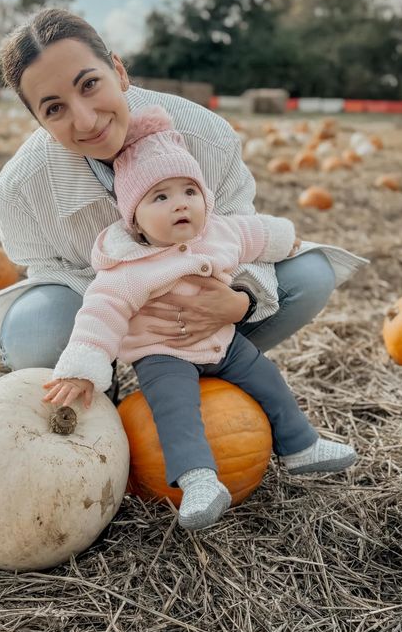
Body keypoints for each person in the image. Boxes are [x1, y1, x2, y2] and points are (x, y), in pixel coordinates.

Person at [0, 7, 368, 440]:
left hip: (205, 295)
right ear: (38, 121)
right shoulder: (21, 188)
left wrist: (239, 301)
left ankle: (205, 369)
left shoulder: (205, 135)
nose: (84, 119)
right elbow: (49, 273)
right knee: (36, 329)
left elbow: (239, 226)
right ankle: (102, 398)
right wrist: (132, 302)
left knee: (310, 274)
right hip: (103, 309)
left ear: (118, 71)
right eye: (54, 108)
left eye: (90, 84)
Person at [42, 106, 358, 529]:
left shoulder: (217, 231)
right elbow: (100, 316)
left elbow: (256, 233)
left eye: (189, 191)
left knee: (267, 379)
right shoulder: (128, 265)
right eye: (161, 197)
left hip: (222, 342)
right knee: (176, 412)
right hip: (163, 354)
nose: (180, 205)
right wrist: (82, 368)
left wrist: (287, 238)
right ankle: (199, 481)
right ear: (134, 216)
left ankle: (301, 446)